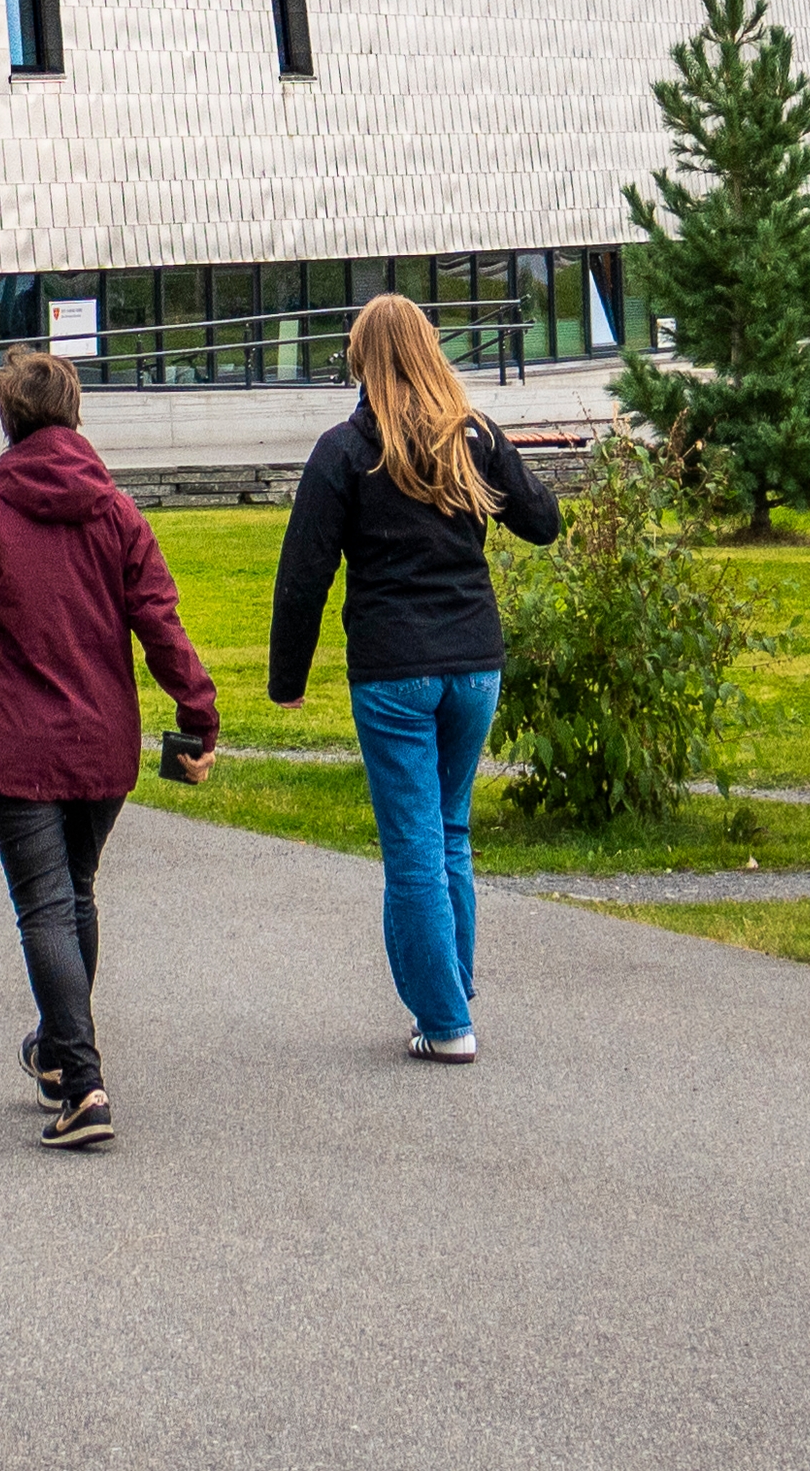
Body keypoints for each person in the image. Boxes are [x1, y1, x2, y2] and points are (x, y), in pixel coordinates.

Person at [0, 343, 219, 1150]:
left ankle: (83, 1085)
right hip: (100, 743)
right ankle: (58, 1056)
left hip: (14, 744)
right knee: (75, 895)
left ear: (8, 416)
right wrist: (200, 713)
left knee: (46, 907)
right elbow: (161, 624)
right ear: (74, 411)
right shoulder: (117, 514)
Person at [268, 290, 559, 1062]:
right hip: (473, 664)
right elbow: (542, 520)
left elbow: (305, 573)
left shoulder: (345, 450)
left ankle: (445, 1021)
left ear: (364, 358)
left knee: (414, 846)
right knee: (450, 831)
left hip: (394, 670)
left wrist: (286, 677)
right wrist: (492, 453)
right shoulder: (472, 436)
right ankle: (451, 994)